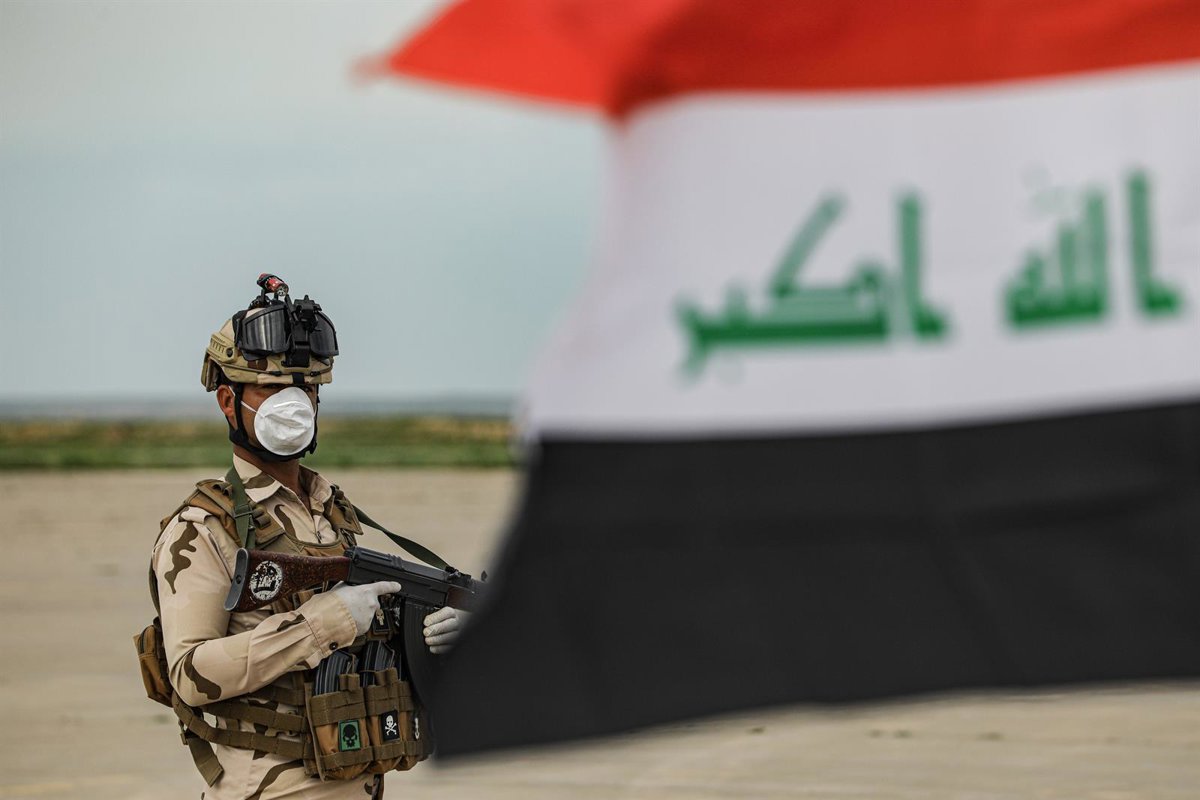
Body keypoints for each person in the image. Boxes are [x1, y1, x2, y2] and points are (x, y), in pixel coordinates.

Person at [149, 275, 464, 799]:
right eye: (271, 390)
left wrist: (433, 632)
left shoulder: (331, 513)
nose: (292, 405)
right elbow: (190, 674)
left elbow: (362, 655)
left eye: (305, 390)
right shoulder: (203, 528)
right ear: (228, 401)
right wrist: (318, 626)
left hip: (358, 779)